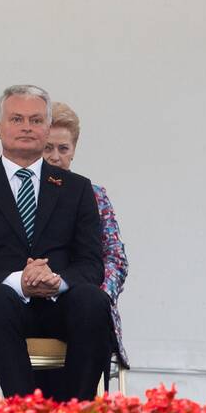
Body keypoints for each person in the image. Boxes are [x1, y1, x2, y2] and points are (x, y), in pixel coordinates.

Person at [0, 85, 113, 400]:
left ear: (48, 129)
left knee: (93, 300)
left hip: (61, 305)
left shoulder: (77, 189)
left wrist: (56, 281)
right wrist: (20, 282)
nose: (26, 127)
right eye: (17, 119)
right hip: (1, 309)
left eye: (36, 120)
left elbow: (92, 264)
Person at [44, 101, 129, 370]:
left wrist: (99, 295)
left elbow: (116, 259)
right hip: (36, 303)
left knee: (88, 309)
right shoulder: (23, 193)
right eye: (47, 148)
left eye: (63, 148)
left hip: (86, 301)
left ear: (74, 152)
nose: (55, 156)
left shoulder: (94, 195)